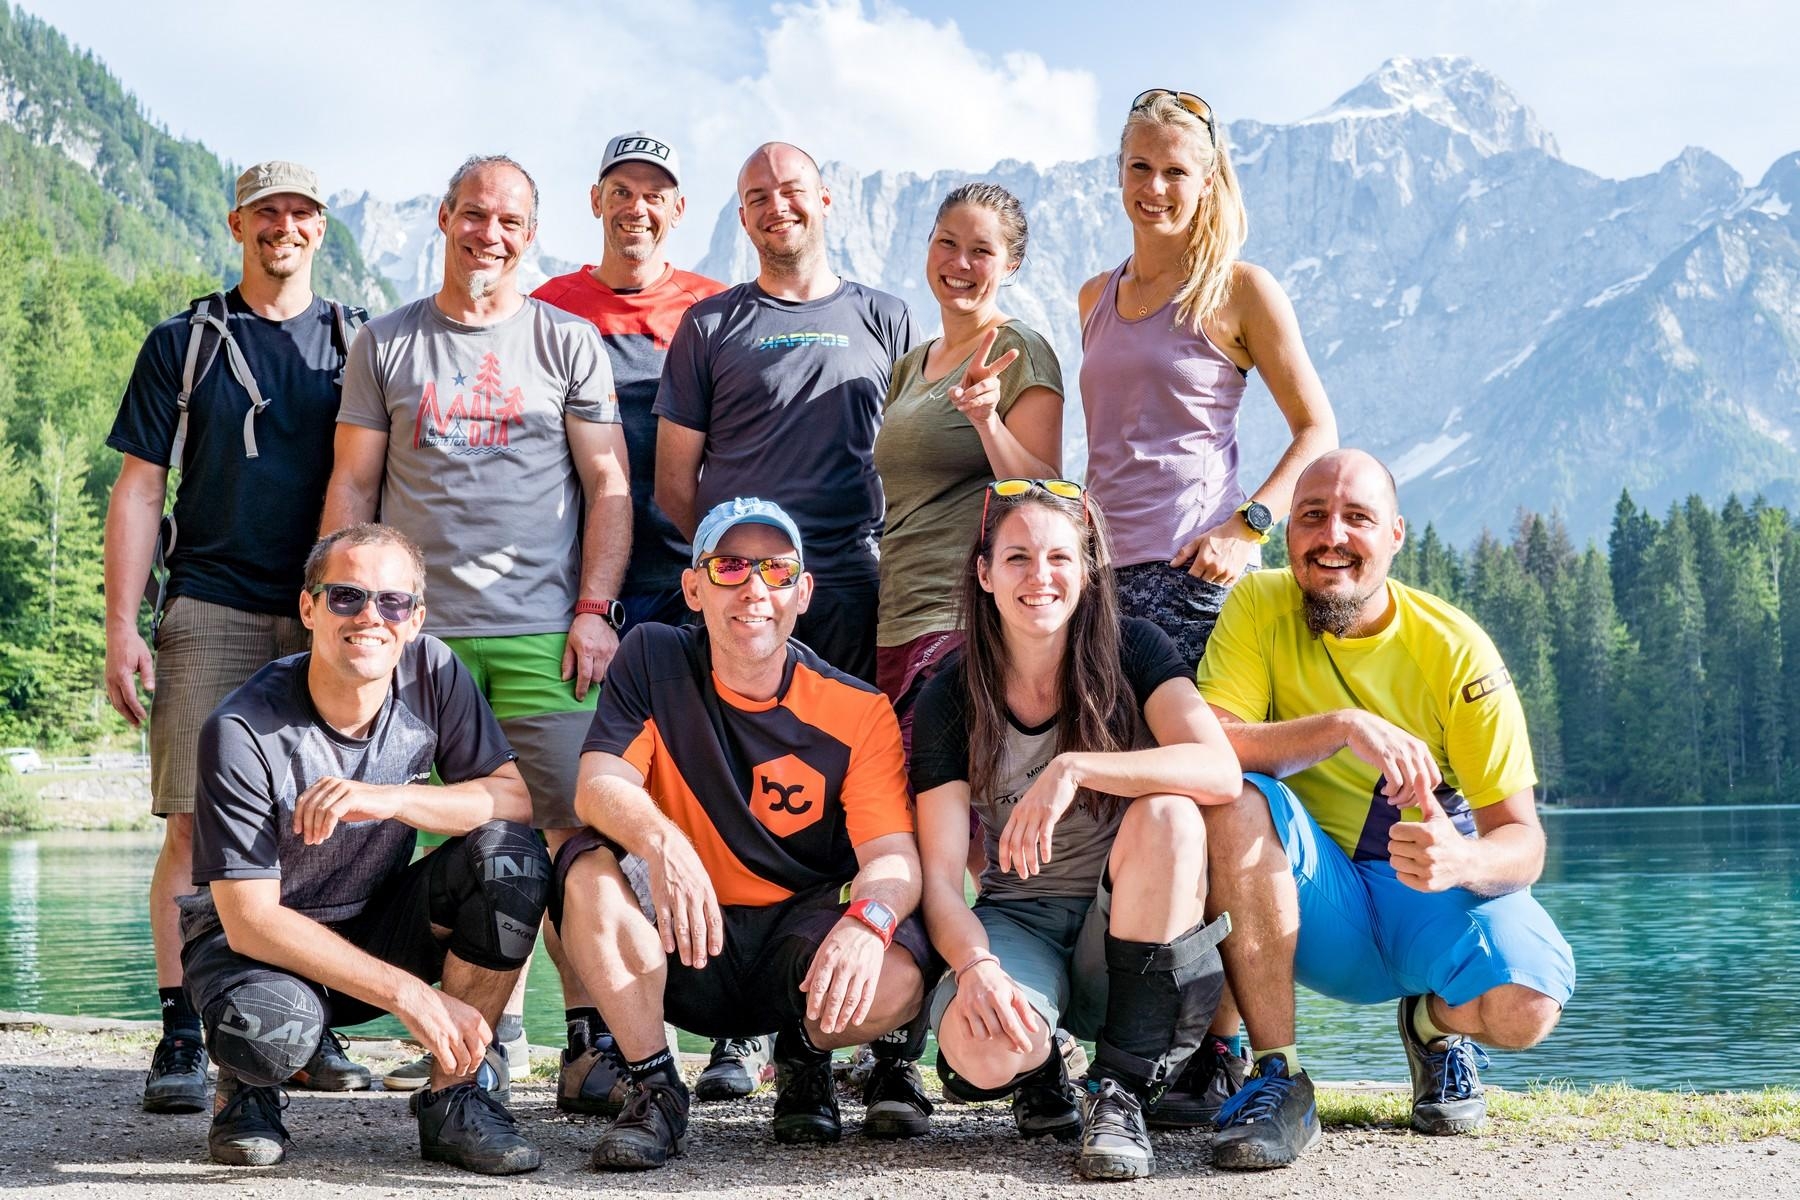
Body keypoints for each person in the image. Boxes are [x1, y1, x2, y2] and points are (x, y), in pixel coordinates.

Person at [322, 153, 628, 1079]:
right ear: (445, 217)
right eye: (473, 214)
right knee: (432, 835)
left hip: (544, 631)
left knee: (574, 834)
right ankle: (477, 1041)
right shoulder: (387, 343)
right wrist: (342, 612)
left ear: (530, 236)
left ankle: (592, 1040)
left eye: (508, 221)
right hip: (417, 637)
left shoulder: (567, 342)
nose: (488, 234)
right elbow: (354, 481)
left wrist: (595, 609)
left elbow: (609, 483)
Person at [1194, 449, 1575, 1169]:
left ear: (1395, 535)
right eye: (1312, 516)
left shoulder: (1458, 652)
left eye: (1357, 518)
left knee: (1528, 1003)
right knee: (1231, 795)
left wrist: (1463, 858)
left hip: (1424, 897)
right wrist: (1341, 725)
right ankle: (1278, 1076)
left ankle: (1432, 1028)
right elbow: (1211, 744)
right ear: (1286, 534)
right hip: (1309, 905)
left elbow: (1523, 844)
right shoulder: (1256, 603)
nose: (1331, 535)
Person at [551, 498, 935, 1171]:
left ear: (803, 593)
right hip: (682, 936)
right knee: (582, 868)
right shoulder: (653, 655)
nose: (755, 589)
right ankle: (657, 1088)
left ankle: (805, 1053)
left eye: (777, 571)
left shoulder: (856, 708)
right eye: (730, 567)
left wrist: (867, 923)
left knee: (900, 974)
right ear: (694, 587)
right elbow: (597, 786)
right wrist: (665, 844)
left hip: (794, 943)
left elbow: (892, 857)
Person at [102, 160, 372, 1113]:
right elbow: (138, 489)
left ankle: (309, 1025)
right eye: (267, 212)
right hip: (209, 604)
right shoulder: (183, 342)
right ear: (237, 224)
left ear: (321, 228)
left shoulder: (357, 343)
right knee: (189, 821)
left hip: (331, 614)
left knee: (321, 828)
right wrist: (122, 625)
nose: (284, 227)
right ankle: (181, 1033)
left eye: (302, 211)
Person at [178, 523, 550, 1174]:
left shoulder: (434, 672)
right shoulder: (241, 729)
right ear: (309, 608)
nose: (370, 616)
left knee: (511, 857)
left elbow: (512, 799)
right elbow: (249, 918)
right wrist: (410, 995)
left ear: (415, 620)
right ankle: (248, 1089)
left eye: (392, 602)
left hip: (372, 924)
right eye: (346, 597)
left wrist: (391, 799)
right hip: (257, 950)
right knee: (272, 1027)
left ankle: (456, 1097)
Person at [911, 479, 1239, 1181]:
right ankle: (1042, 1062)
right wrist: (976, 968)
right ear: (985, 572)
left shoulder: (1134, 650)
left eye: (1061, 558)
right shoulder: (951, 691)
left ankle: (1117, 1090)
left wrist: (1074, 768)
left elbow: (1219, 770)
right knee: (981, 1050)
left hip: (1120, 925)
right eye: (1019, 558)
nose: (1040, 577)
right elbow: (940, 879)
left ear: (1088, 569)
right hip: (1016, 923)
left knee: (1172, 813)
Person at [531, 132, 766, 1107]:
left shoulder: (716, 308)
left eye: (656, 194)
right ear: (596, 201)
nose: (638, 207)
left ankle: (737, 1033)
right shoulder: (547, 307)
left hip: (691, 589)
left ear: (678, 209)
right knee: (572, 812)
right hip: (572, 597)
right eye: (621, 191)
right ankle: (594, 1034)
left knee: (720, 799)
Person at [1078, 89, 1337, 669]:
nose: (1154, 188)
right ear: (1119, 170)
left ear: (1206, 180)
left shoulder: (1239, 290)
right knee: (1114, 757)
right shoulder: (1094, 297)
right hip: (1098, 582)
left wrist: (1249, 527)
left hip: (1196, 575)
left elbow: (1318, 430)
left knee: (1203, 758)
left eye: (1175, 172)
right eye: (1140, 167)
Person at [655, 142, 916, 686]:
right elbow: (673, 483)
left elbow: (913, 459)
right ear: (744, 218)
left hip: (853, 588)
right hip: (746, 598)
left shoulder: (887, 317)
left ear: (823, 198)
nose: (777, 206)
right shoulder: (708, 325)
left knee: (855, 751)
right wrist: (730, 557)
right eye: (758, 198)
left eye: (791, 191)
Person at [871, 181, 1063, 750]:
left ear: (1011, 263)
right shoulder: (909, 368)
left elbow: (1046, 491)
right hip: (895, 618)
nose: (960, 263)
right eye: (946, 243)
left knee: (938, 805)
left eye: (981, 251)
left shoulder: (1019, 349)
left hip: (963, 622)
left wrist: (988, 421)